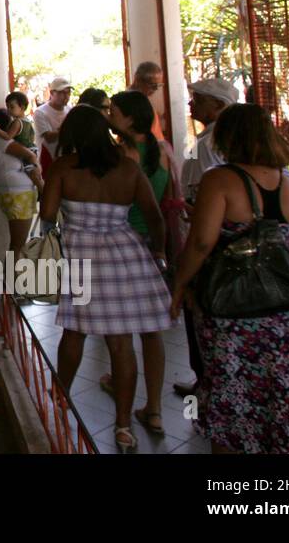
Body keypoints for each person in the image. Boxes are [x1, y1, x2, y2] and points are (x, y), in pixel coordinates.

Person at [169, 104, 289, 454]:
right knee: (285, 385)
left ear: (228, 136)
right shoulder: (285, 179)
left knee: (234, 385)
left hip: (234, 306)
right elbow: (284, 234)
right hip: (286, 306)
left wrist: (179, 284)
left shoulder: (220, 178)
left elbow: (202, 242)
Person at [41, 106, 169, 453]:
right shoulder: (128, 168)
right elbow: (154, 216)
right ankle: (124, 426)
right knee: (121, 342)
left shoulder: (65, 167)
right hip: (125, 253)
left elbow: (47, 214)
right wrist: (158, 251)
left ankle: (58, 396)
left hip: (80, 252)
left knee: (74, 329)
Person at [98, 90, 176, 436]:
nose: (109, 114)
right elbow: (167, 202)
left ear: (130, 118)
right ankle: (155, 410)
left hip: (120, 245)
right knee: (152, 331)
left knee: (120, 333)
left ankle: (123, 415)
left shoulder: (121, 155)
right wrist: (161, 249)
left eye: (113, 111)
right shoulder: (162, 151)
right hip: (151, 247)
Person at [172, 76, 239, 398]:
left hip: (211, 241)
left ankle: (210, 383)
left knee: (202, 312)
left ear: (218, 106)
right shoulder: (215, 142)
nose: (190, 104)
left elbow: (206, 206)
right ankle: (212, 381)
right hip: (222, 239)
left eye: (197, 100)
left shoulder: (211, 146)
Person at [0, 109, 41, 256]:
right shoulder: (4, 142)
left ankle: (9, 277)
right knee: (18, 244)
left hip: (13, 195)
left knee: (17, 243)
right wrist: (37, 172)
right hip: (18, 196)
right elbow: (30, 156)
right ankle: (10, 278)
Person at [0, 92, 43, 190]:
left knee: (33, 174)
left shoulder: (17, 122)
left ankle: (43, 191)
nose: (9, 110)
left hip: (27, 151)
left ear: (22, 107)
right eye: (7, 107)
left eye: (11, 107)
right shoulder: (28, 121)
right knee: (34, 173)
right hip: (32, 148)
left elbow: (8, 137)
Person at [32, 77, 73, 173]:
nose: (65, 96)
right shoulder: (40, 112)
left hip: (66, 159)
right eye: (61, 92)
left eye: (68, 92)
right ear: (51, 93)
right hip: (48, 159)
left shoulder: (70, 110)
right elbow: (49, 138)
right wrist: (67, 127)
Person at [130, 61, 168, 140]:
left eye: (159, 85)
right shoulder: (130, 100)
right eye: (153, 85)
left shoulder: (142, 97)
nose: (156, 89)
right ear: (138, 80)